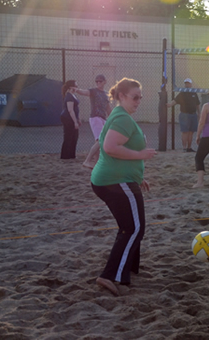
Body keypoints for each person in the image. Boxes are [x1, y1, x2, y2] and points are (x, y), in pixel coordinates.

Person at [91, 78, 156, 296]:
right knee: (134, 228)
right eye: (134, 97)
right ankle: (109, 275)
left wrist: (136, 175)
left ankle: (127, 268)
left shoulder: (120, 115)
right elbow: (109, 147)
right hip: (115, 182)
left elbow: (114, 148)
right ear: (121, 96)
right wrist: (139, 155)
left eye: (141, 97)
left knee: (129, 226)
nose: (139, 101)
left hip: (116, 179)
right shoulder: (122, 118)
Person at [74, 74, 112, 169]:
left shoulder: (106, 94)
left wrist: (113, 119)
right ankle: (87, 161)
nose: (98, 83)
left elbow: (108, 109)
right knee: (100, 140)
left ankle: (96, 165)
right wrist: (77, 90)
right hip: (95, 118)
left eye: (100, 81)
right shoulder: (93, 91)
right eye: (97, 81)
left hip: (103, 119)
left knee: (99, 142)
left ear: (105, 82)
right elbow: (84, 92)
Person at [167, 78, 201, 152]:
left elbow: (197, 104)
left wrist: (199, 113)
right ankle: (184, 148)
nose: (187, 85)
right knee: (185, 131)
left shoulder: (194, 93)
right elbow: (175, 101)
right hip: (184, 115)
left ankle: (189, 147)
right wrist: (170, 105)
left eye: (188, 83)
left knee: (191, 132)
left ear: (191, 84)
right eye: (186, 83)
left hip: (193, 115)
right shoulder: (182, 93)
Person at [60, 80, 80, 160]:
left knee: (74, 137)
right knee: (68, 136)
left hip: (73, 118)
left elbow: (76, 109)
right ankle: (65, 156)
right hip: (68, 118)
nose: (76, 88)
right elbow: (70, 110)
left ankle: (72, 155)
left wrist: (78, 119)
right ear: (70, 87)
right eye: (75, 86)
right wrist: (75, 122)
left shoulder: (73, 95)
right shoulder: (69, 96)